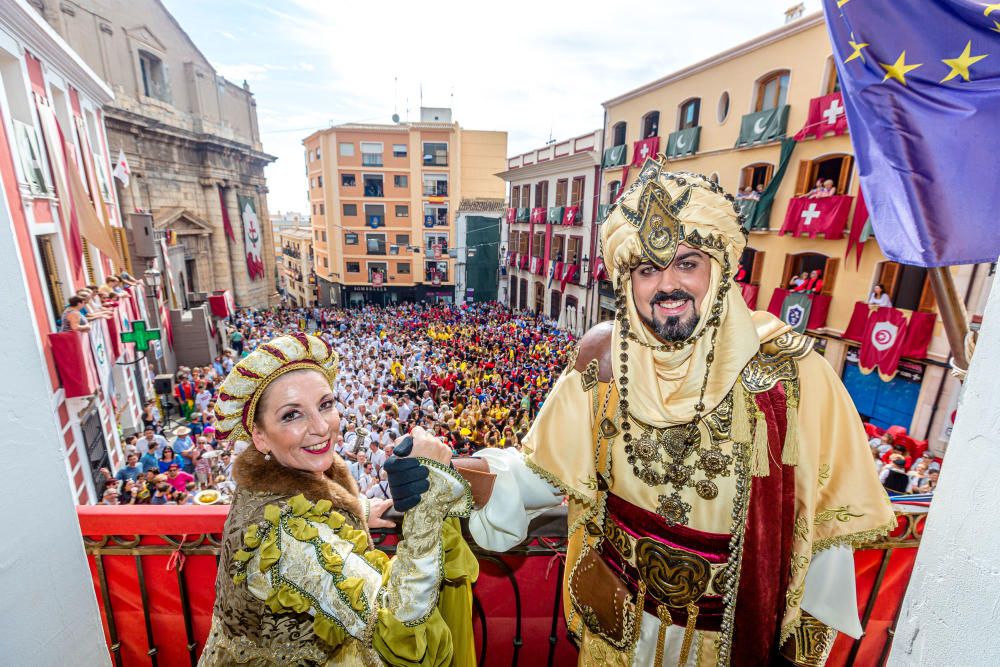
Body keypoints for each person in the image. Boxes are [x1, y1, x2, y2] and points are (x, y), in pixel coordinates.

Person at [391, 168, 894, 665]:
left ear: (719, 269)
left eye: (686, 264)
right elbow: (535, 476)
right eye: (647, 270)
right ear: (627, 283)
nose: (666, 285)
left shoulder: (794, 378)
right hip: (614, 640)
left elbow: (826, 537)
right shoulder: (603, 370)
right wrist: (448, 472)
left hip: (726, 648)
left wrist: (797, 657)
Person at [198, 333, 479, 666]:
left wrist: (353, 509)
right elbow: (400, 624)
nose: (321, 427)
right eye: (291, 415)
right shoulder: (286, 534)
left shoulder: (270, 477)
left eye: (325, 404)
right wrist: (428, 502)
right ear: (259, 436)